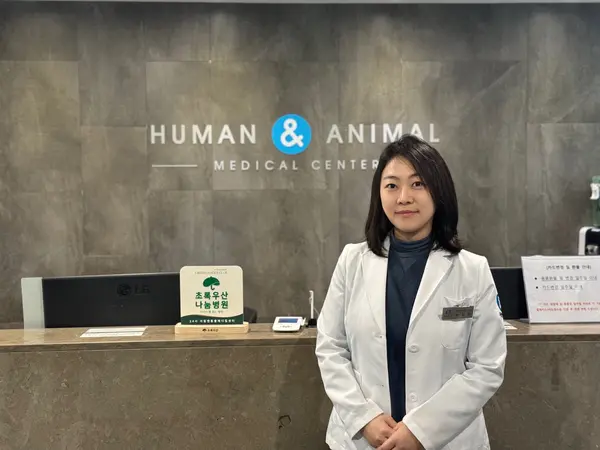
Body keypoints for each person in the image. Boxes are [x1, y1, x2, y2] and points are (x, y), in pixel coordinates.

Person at [315, 134, 507, 450]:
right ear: (379, 194)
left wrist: (422, 430)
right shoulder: (352, 261)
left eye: (418, 184)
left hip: (448, 440)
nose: (404, 197)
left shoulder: (472, 270)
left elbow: (487, 367)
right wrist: (364, 418)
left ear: (438, 191)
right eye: (392, 185)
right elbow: (330, 347)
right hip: (365, 439)